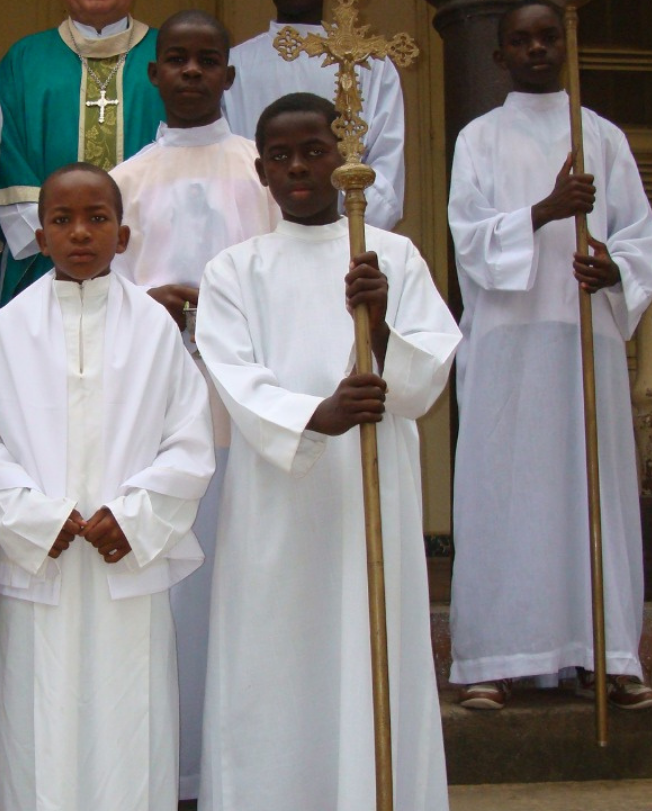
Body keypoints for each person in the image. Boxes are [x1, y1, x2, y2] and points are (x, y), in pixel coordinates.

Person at [197, 92, 460, 811]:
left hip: (372, 483)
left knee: (372, 644)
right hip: (278, 496)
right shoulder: (234, 270)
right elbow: (232, 374)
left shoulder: (392, 257)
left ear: (346, 161)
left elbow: (426, 378)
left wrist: (380, 326)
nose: (298, 168)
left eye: (314, 151)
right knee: (274, 656)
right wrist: (318, 415)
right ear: (261, 171)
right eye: (280, 156)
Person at [0, 162, 215, 811]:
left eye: (97, 218)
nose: (80, 232)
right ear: (40, 237)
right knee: (37, 727)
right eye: (62, 220)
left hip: (125, 559)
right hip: (41, 561)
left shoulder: (156, 331)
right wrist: (31, 518)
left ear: (122, 235)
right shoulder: (4, 334)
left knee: (131, 724)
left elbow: (188, 443)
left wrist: (134, 516)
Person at [448, 0, 652, 710]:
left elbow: (639, 236)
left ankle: (605, 653)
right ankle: (496, 657)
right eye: (521, 40)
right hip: (508, 344)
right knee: (504, 494)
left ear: (566, 45)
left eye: (548, 37)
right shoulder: (479, 137)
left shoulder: (601, 137)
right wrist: (546, 209)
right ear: (500, 54)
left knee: (590, 493)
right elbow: (469, 238)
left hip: (582, 335)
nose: (536, 48)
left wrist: (615, 270)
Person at [109, 9, 277, 800]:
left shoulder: (262, 173)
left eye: (207, 60)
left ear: (228, 76)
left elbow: (285, 277)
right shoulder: (125, 181)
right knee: (171, 601)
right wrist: (149, 306)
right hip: (158, 420)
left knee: (243, 594)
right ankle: (170, 770)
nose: (191, 73)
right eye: (176, 59)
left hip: (248, 422)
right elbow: (102, 293)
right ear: (154, 73)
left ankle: (238, 771)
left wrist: (226, 311)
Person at [0, 0, 165, 315]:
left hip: (149, 266)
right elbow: (7, 159)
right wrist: (63, 243)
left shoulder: (170, 57)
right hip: (47, 270)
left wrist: (133, 246)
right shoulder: (25, 61)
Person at [224, 0, 405, 230]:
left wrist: (349, 228)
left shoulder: (368, 61)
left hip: (346, 232)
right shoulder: (235, 65)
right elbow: (228, 158)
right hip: (258, 230)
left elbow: (386, 161)